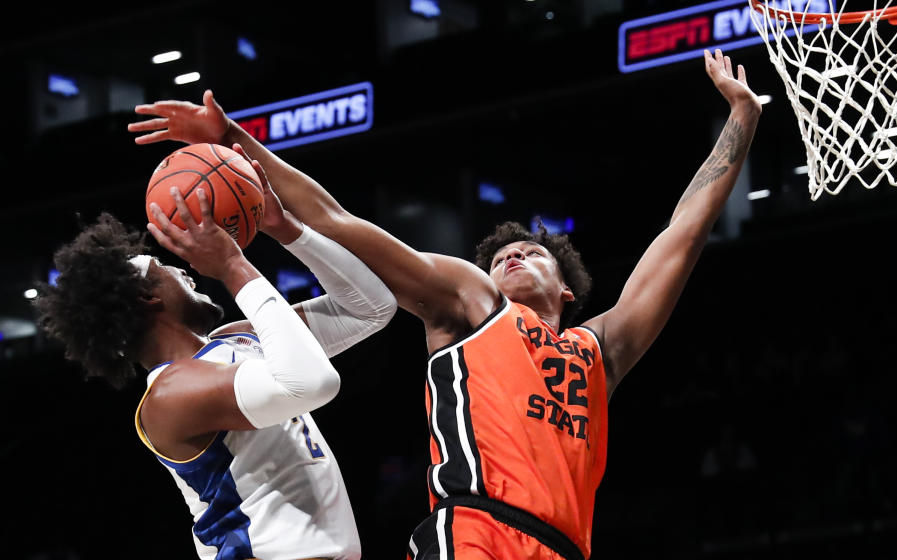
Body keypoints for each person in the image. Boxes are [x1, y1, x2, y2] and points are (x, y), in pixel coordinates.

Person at [128, 48, 762, 560]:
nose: (511, 258)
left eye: (530, 254)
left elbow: (682, 235)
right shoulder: (472, 304)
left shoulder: (601, 351)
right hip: (472, 536)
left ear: (567, 290)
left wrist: (741, 119)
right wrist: (240, 147)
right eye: (499, 257)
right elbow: (338, 220)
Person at [33, 161, 397, 560]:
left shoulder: (232, 340)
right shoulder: (171, 396)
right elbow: (312, 384)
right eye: (164, 268)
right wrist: (231, 265)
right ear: (148, 298)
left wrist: (286, 230)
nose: (184, 271)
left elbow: (369, 308)